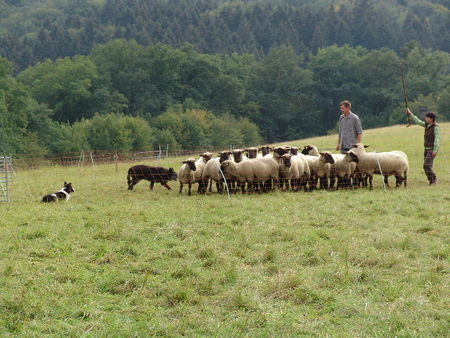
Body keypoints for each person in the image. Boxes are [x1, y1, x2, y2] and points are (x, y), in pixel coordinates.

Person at [406, 108, 440, 185]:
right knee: (428, 166)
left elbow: (437, 140)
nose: (425, 119)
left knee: (426, 165)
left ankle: (434, 179)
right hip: (426, 149)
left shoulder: (436, 127)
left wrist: (435, 150)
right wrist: (410, 114)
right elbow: (417, 121)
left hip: (431, 150)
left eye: (427, 118)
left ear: (431, 119)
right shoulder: (426, 125)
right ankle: (432, 180)